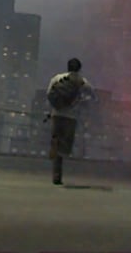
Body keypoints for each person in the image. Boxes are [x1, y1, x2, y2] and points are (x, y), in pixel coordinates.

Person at [46, 57, 94, 186]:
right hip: (71, 117)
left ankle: (56, 169)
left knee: (56, 141)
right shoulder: (82, 81)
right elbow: (91, 94)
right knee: (66, 145)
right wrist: (80, 102)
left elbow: (49, 94)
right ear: (79, 69)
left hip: (56, 114)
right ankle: (59, 153)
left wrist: (55, 107)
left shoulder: (57, 78)